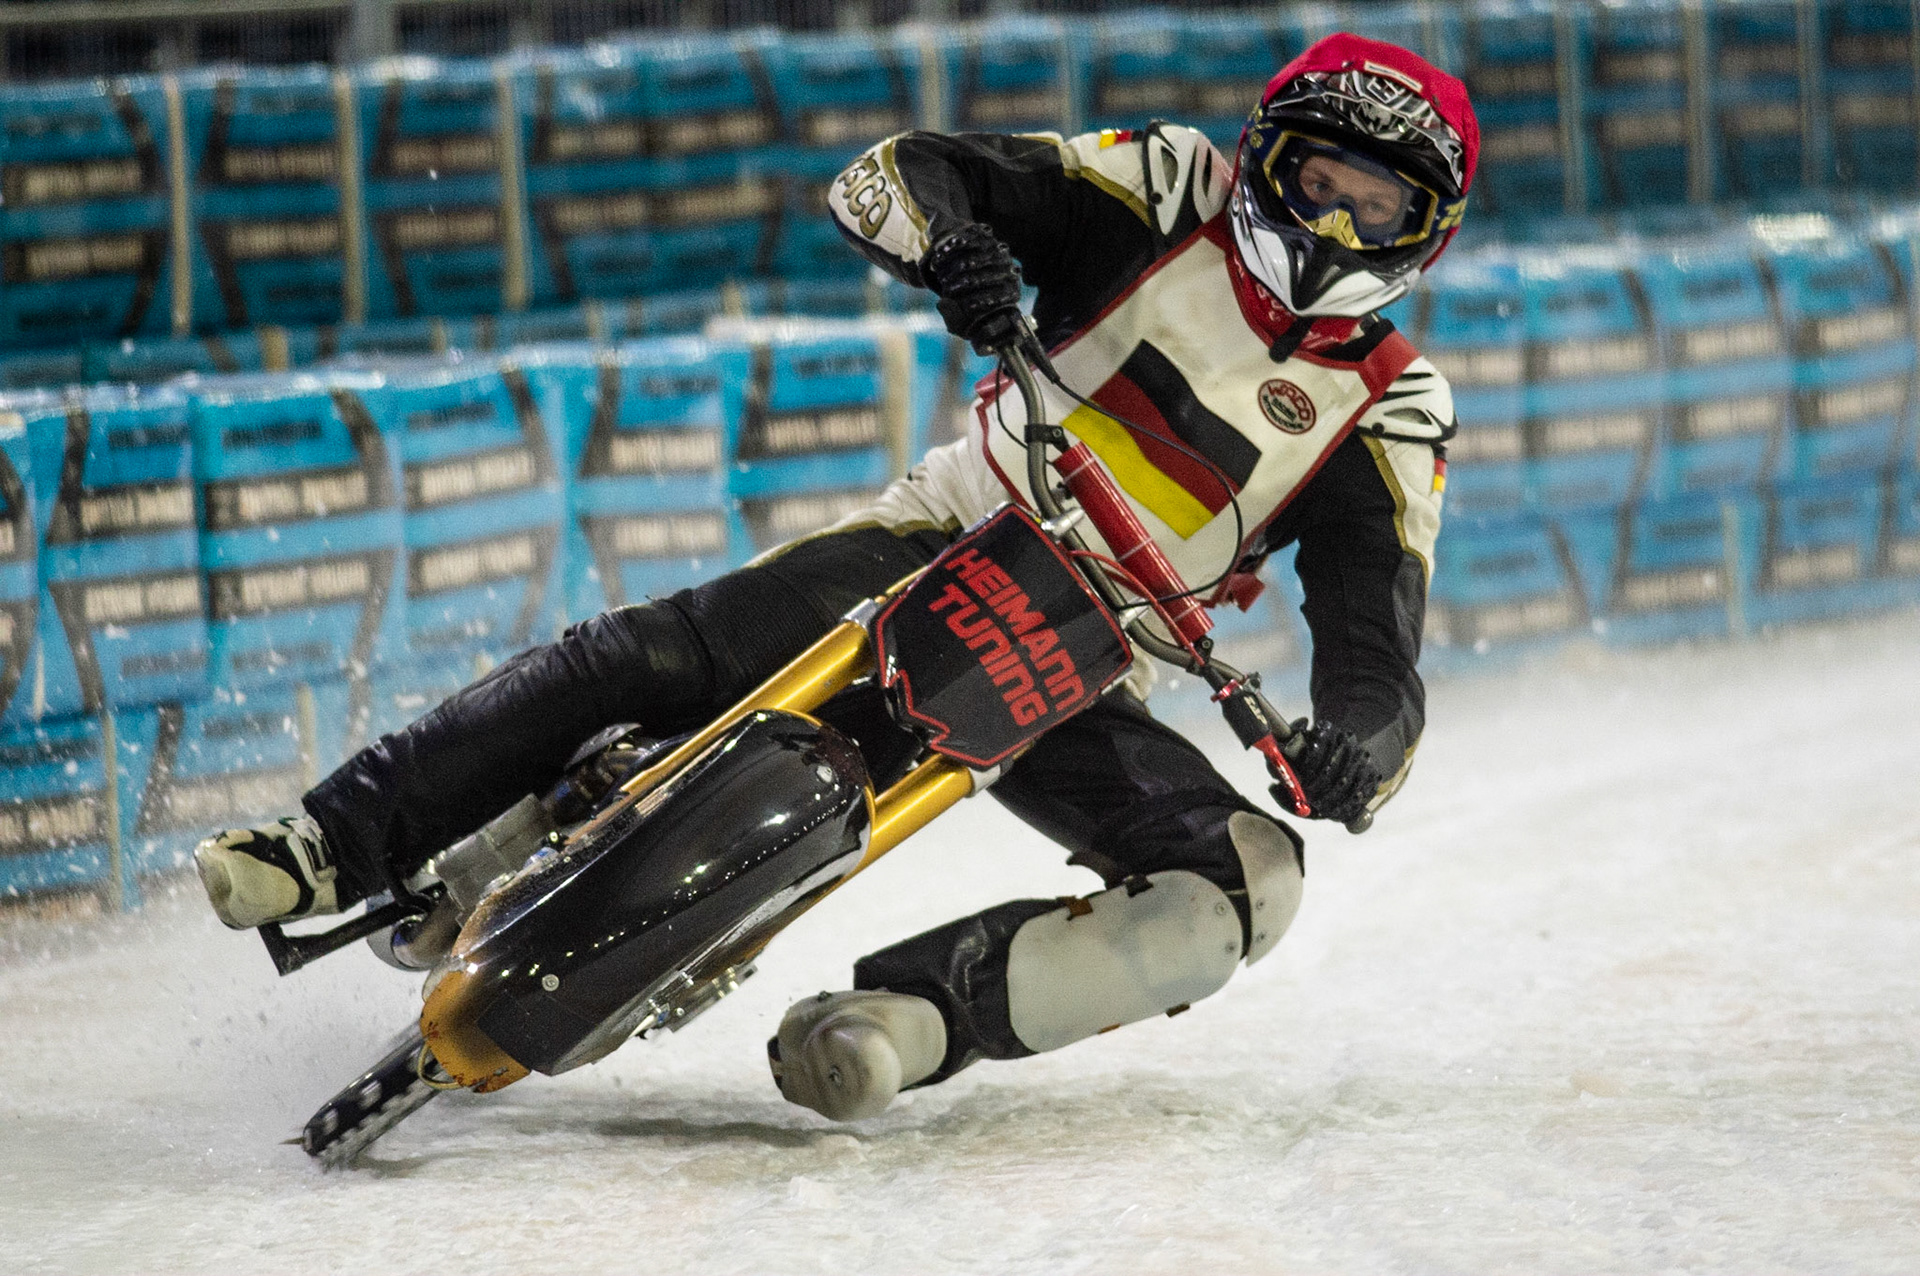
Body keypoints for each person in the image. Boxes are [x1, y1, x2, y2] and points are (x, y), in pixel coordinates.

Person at [194, 33, 1476, 1122]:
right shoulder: (1165, 183)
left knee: (1247, 888)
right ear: (1262, 156)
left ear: (1428, 235)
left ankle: (899, 1029)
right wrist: (955, 246)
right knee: (655, 651)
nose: (1332, 225)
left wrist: (1353, 747)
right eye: (1317, 181)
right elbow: (899, 175)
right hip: (944, 541)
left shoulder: (1393, 405)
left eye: (1376, 208)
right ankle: (328, 839)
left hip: (1076, 671)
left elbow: (1380, 650)